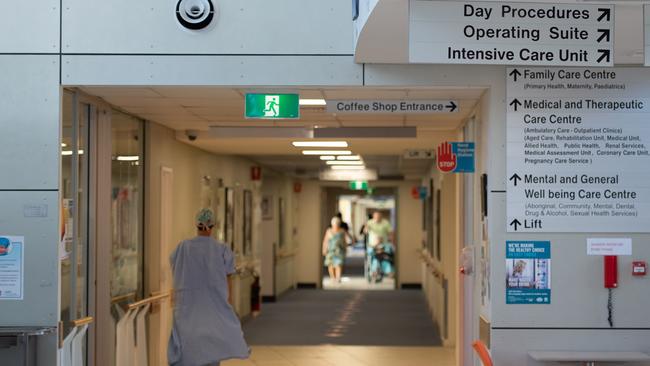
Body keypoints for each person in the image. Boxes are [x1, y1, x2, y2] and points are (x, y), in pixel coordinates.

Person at [168, 209, 249, 366]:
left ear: (196, 225)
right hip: (214, 309)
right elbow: (228, 280)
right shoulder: (222, 250)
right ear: (213, 226)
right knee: (212, 352)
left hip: (188, 310)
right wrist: (228, 305)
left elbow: (174, 267)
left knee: (189, 351)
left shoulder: (183, 248)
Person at [322, 216, 352, 283]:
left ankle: (338, 278)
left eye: (337, 224)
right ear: (332, 224)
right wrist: (324, 249)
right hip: (330, 251)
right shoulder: (329, 231)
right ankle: (332, 277)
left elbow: (346, 239)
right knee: (331, 264)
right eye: (335, 224)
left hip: (339, 250)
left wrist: (346, 247)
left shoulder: (342, 231)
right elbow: (325, 241)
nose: (336, 225)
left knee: (339, 264)